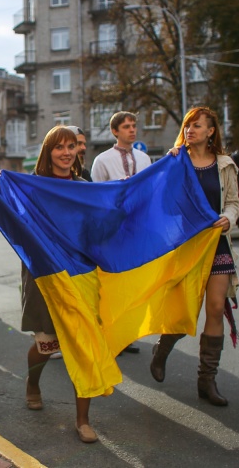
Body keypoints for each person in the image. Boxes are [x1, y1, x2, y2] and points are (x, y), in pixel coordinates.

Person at [152, 106, 239, 407]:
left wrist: (227, 218)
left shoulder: (225, 164)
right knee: (184, 309)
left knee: (215, 308)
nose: (190, 130)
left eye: (197, 126)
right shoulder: (176, 162)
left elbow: (233, 203)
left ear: (211, 131)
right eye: (188, 125)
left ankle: (207, 381)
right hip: (187, 247)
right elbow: (163, 204)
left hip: (217, 245)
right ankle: (163, 349)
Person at [20, 126, 98, 443]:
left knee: (84, 348)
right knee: (46, 346)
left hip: (80, 274)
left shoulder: (84, 187)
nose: (66, 152)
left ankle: (82, 420)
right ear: (48, 151)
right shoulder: (33, 187)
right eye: (59, 147)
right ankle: (32, 383)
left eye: (71, 146)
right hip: (45, 275)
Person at [90, 111, 151, 354]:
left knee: (132, 282)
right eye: (126, 126)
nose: (132, 130)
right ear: (115, 131)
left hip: (138, 229)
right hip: (113, 230)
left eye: (134, 125)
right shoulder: (103, 160)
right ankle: (107, 332)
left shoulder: (145, 158)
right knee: (111, 281)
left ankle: (125, 335)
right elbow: (96, 195)